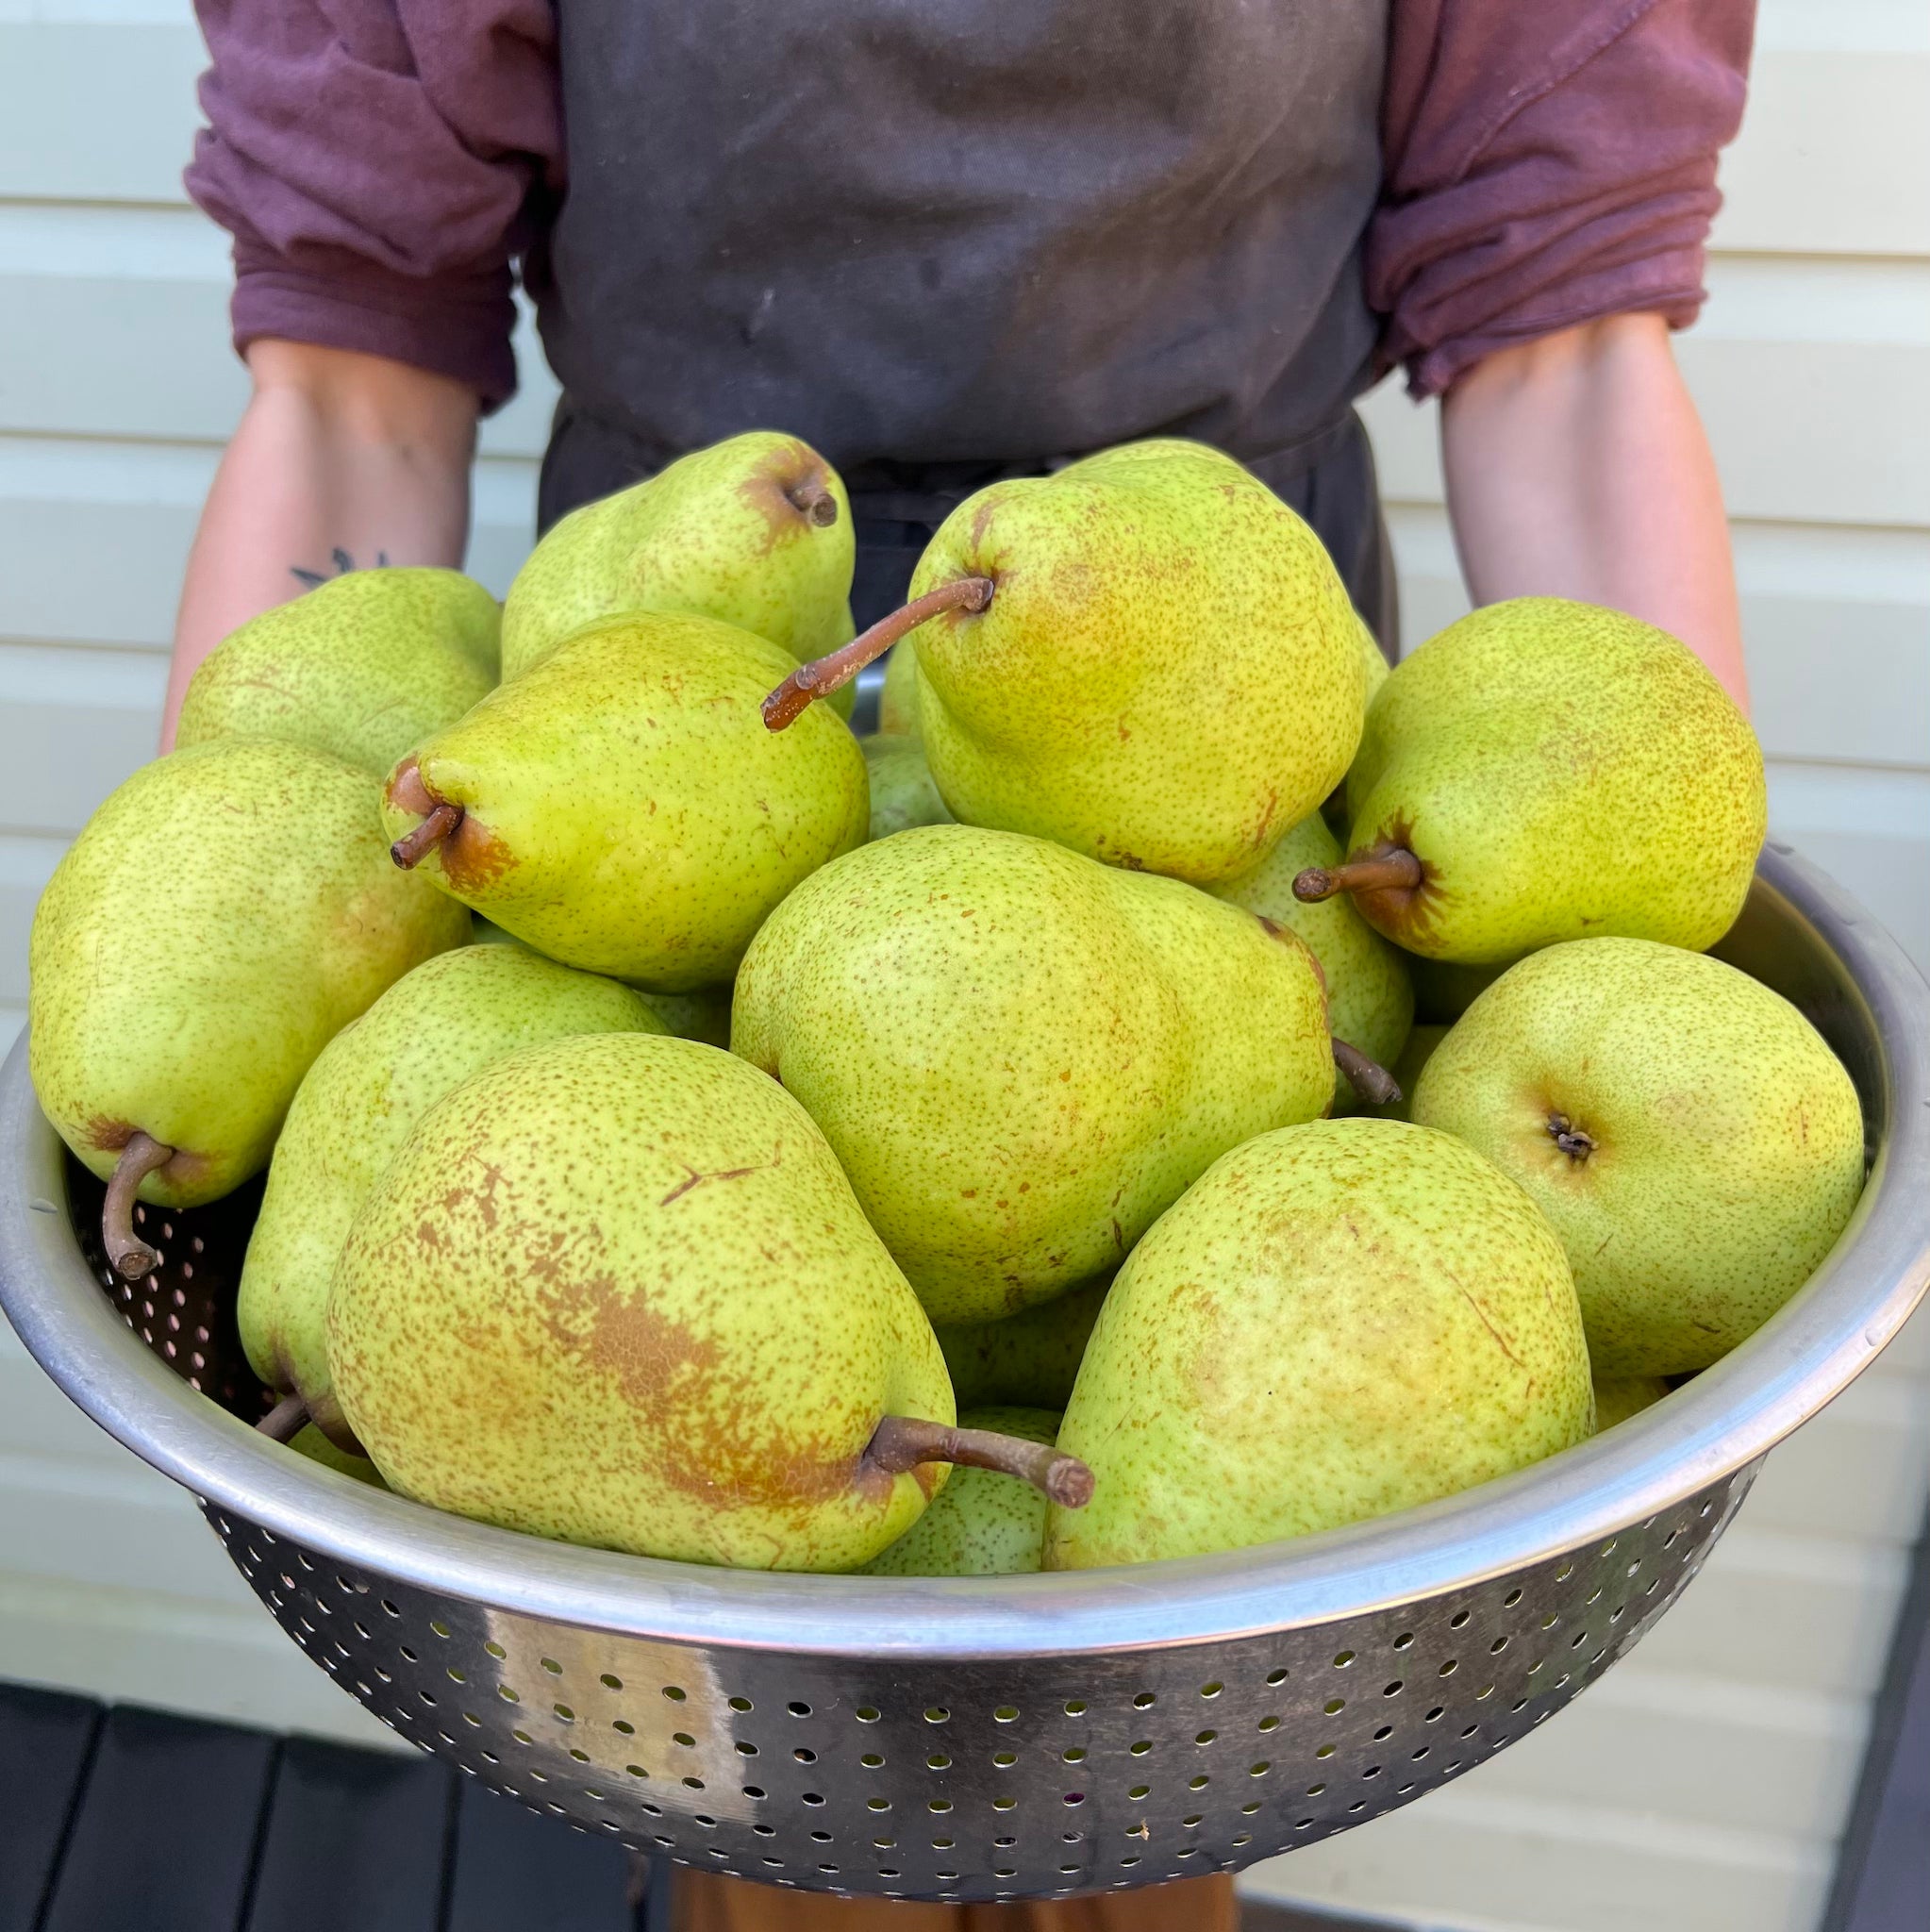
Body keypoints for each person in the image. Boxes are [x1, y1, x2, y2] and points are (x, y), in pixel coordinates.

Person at [165, 3, 1756, 1924]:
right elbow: (351, 369)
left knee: (1176, 1774)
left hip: (1242, 785)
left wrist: (1666, 964)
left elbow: (1564, 343)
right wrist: (246, 930)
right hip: (682, 739)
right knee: (762, 1797)